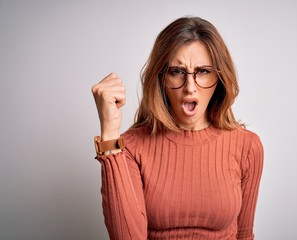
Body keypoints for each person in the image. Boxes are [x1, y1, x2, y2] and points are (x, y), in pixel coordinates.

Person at [91, 16, 264, 240]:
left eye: (202, 71)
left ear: (219, 77)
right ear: (161, 78)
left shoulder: (247, 146)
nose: (190, 88)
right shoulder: (130, 147)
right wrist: (109, 134)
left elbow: (244, 235)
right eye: (177, 72)